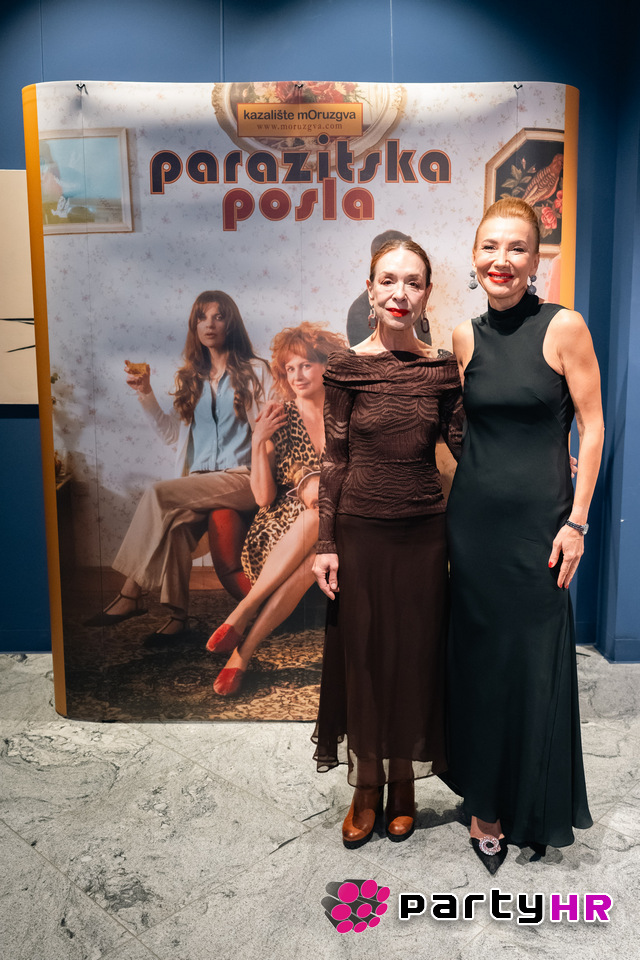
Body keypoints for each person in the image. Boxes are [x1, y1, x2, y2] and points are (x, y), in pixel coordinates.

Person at [445, 197, 605, 872]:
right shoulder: (463, 336)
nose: (501, 260)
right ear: (474, 255)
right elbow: (465, 432)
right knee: (483, 665)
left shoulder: (564, 326)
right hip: (474, 526)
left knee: (534, 662)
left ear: (536, 258)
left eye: (516, 247)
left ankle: (534, 802)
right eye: (490, 246)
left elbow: (592, 426)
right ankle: (484, 804)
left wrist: (577, 520)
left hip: (542, 527)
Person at [312, 239, 464, 848]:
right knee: (366, 657)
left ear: (427, 293)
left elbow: (468, 447)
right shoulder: (344, 367)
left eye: (414, 282)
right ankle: (367, 784)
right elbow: (334, 458)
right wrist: (325, 541)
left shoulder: (442, 369)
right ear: (371, 290)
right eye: (389, 281)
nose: (401, 293)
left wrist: (538, 461)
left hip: (425, 533)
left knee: (415, 655)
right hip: (360, 532)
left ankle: (404, 782)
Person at [87, 290, 271, 641]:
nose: (209, 324)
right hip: (201, 481)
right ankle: (177, 619)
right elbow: (174, 436)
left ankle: (130, 593)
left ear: (231, 324)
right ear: (194, 326)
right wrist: (145, 393)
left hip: (243, 477)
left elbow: (270, 430)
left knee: (157, 493)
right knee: (175, 529)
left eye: (218, 317)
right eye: (202, 318)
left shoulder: (255, 371)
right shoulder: (191, 378)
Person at [206, 321, 347, 696]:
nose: (297, 375)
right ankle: (244, 625)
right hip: (279, 530)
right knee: (317, 518)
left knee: (320, 532)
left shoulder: (345, 414)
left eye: (306, 365)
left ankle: (241, 646)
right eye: (290, 368)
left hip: (335, 527)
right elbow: (263, 498)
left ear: (326, 366)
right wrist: (258, 441)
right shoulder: (279, 417)